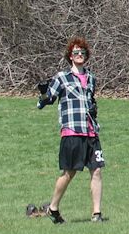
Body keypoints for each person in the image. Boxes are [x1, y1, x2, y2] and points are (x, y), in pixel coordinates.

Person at [36, 37, 105, 223]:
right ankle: (53, 208)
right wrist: (43, 93)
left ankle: (97, 214)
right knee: (69, 173)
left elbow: (91, 101)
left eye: (82, 52)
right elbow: (45, 101)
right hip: (72, 131)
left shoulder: (91, 79)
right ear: (70, 56)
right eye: (76, 52)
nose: (79, 55)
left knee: (97, 170)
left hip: (91, 131)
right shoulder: (62, 78)